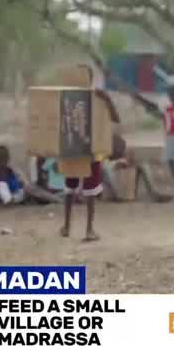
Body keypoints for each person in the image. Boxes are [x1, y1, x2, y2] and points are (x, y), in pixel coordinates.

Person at [60, 64, 117, 242]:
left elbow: (115, 118)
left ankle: (89, 229)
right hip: (72, 148)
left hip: (92, 150)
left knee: (90, 191)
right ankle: (67, 226)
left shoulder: (98, 96)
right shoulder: (67, 97)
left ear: (89, 78)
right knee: (70, 189)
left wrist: (107, 100)